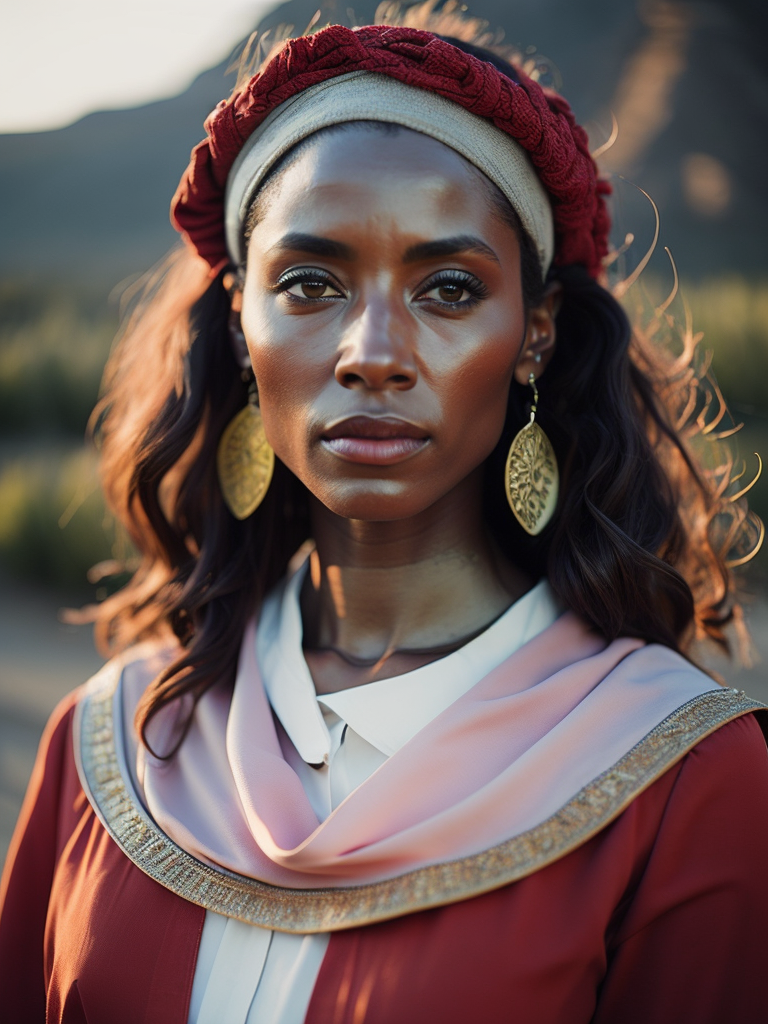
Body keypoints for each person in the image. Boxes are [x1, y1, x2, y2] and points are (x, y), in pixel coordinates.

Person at [1, 7, 767, 1022]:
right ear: (241, 324)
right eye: (310, 282)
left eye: (449, 288)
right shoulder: (114, 743)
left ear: (533, 335)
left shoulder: (684, 777)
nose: (371, 349)